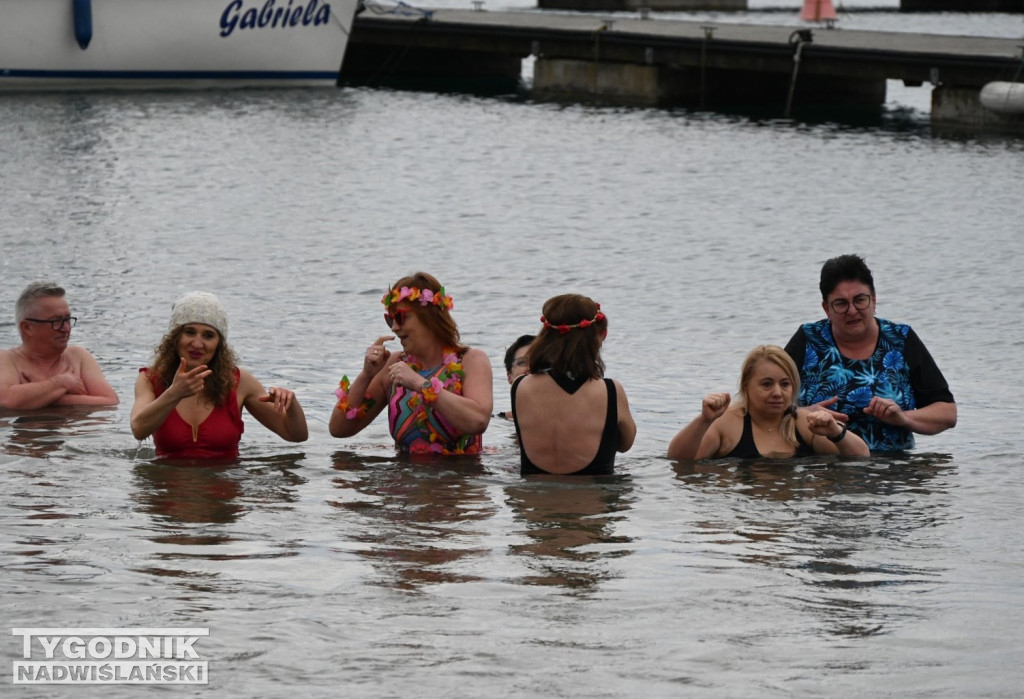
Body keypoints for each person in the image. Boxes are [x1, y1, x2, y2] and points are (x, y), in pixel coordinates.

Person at [784, 254, 956, 452]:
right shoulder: (808, 339)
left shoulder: (901, 339)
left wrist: (903, 417)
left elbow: (947, 413)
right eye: (841, 303)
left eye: (860, 300)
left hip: (893, 472)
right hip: (823, 469)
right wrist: (802, 413)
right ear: (826, 309)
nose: (852, 310)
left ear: (874, 300)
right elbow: (762, 404)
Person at [329, 272, 492, 455]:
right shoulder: (394, 364)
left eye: (399, 317)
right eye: (389, 319)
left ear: (429, 316)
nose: (394, 328)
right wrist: (366, 375)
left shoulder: (471, 360)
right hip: (402, 477)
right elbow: (339, 430)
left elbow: (478, 421)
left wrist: (419, 384)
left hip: (456, 479)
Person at [130, 291, 308, 459]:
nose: (197, 343)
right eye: (190, 332)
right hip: (165, 488)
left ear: (219, 344)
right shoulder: (149, 379)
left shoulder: (239, 381)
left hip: (224, 485)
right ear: (175, 337)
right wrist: (174, 393)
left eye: (208, 335)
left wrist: (292, 405)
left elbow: (296, 435)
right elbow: (138, 428)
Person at [667, 345, 869, 460]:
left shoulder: (805, 423)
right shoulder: (727, 423)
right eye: (766, 384)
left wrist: (835, 432)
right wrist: (703, 420)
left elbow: (861, 456)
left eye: (785, 384)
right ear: (746, 386)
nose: (777, 393)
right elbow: (678, 460)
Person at [510, 294, 636, 475]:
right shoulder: (611, 391)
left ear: (546, 335)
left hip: (533, 501)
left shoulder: (520, 386)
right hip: (593, 499)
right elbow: (625, 444)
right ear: (602, 335)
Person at [0, 281, 118, 410]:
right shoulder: (7, 360)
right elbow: (6, 400)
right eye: (56, 321)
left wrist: (43, 397)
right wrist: (63, 383)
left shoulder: (78, 356)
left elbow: (110, 401)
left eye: (67, 319)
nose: (66, 328)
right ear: (27, 327)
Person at [496, 334, 534, 420]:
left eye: (537, 361)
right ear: (509, 377)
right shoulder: (496, 422)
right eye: (522, 363)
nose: (530, 368)